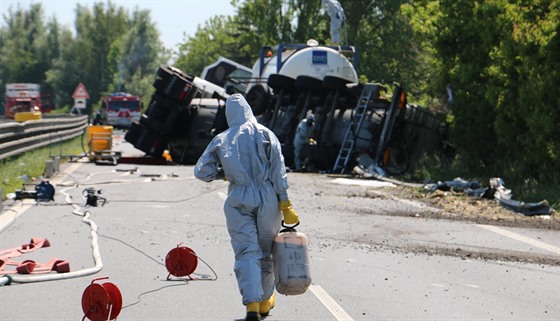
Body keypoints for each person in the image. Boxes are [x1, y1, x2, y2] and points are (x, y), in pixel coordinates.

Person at [194, 93, 301, 321]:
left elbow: (201, 171)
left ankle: (251, 305)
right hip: (268, 198)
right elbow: (278, 170)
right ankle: (264, 303)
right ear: (249, 110)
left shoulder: (222, 139)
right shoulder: (265, 133)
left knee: (246, 251)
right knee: (266, 253)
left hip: (239, 197)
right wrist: (285, 202)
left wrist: (224, 174)